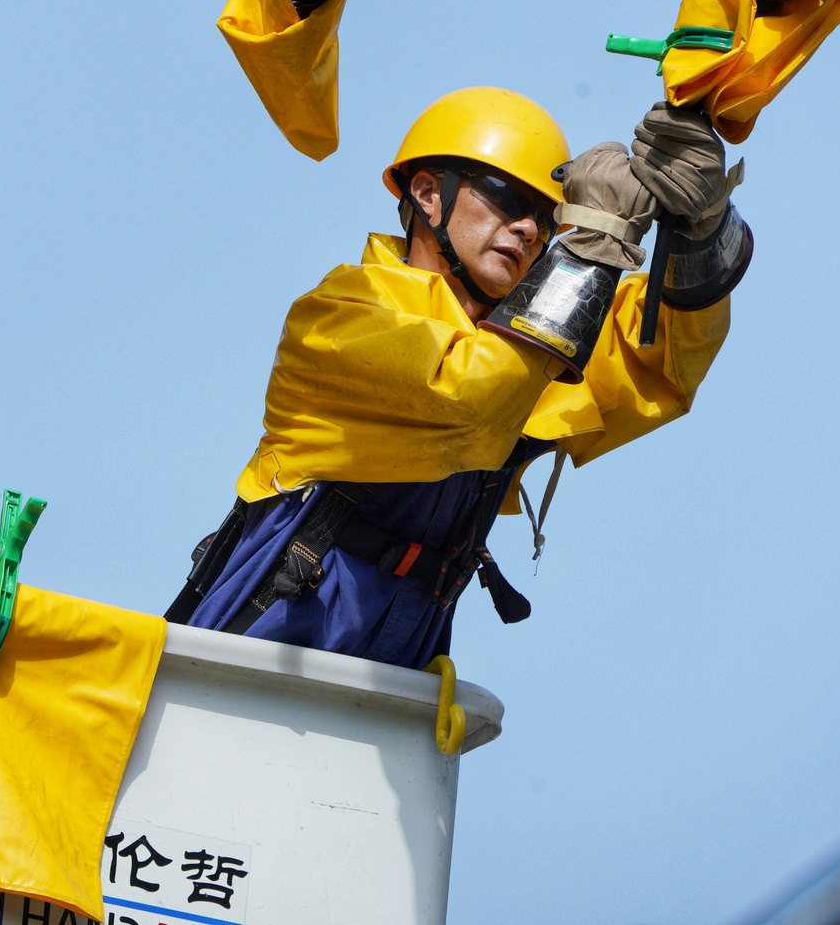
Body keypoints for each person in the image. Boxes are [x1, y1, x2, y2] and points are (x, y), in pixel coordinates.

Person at [166, 87, 752, 668]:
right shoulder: (343, 314)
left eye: (547, 218)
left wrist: (703, 226)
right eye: (505, 198)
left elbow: (665, 360)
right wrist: (595, 241)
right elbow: (469, 401)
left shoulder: (530, 348)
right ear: (427, 194)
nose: (528, 229)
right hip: (258, 651)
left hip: (393, 670)